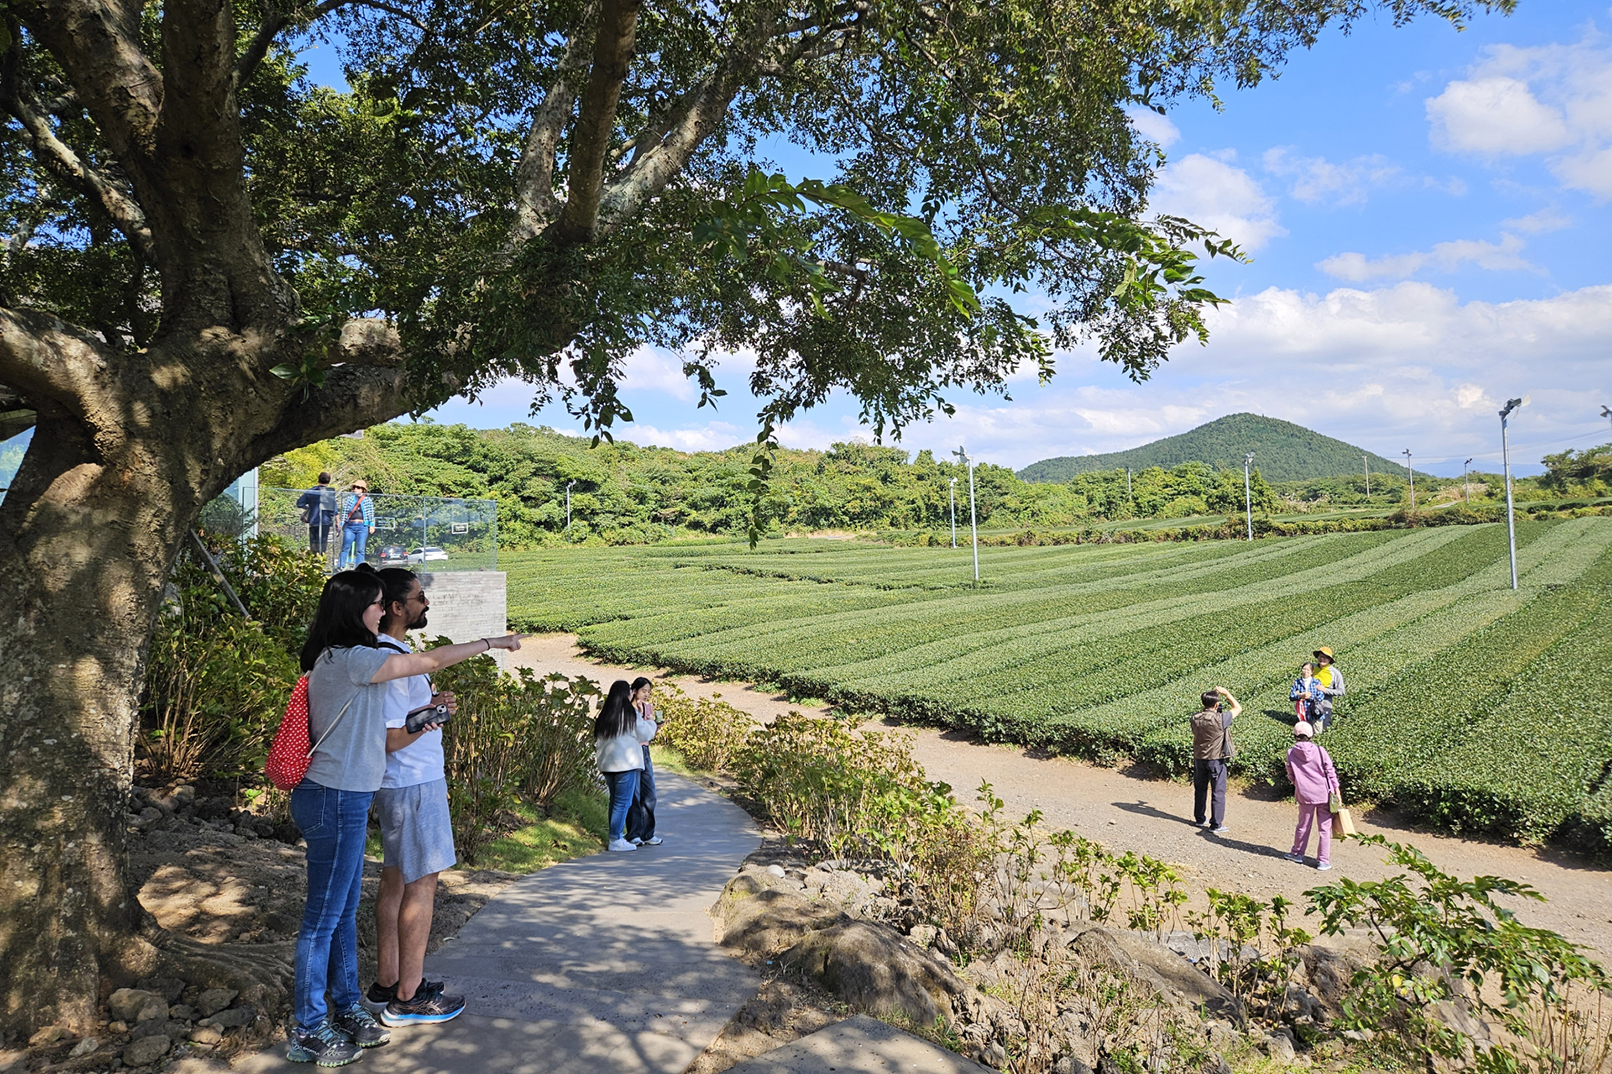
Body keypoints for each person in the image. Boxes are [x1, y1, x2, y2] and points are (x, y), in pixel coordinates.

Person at [286, 569, 524, 1066]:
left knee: (341, 913)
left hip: (349, 796)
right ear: (358, 610)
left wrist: (428, 711)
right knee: (322, 920)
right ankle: (308, 1028)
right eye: (376, 604)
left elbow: (390, 724)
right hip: (333, 796)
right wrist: (493, 642)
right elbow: (430, 663)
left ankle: (348, 1008)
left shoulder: (345, 657)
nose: (381, 613)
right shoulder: (354, 658)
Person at [363, 566, 469, 1028]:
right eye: (419, 597)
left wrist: (430, 709)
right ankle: (408, 997)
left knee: (396, 880)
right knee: (422, 884)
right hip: (413, 783)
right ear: (396, 607)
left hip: (402, 784)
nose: (426, 603)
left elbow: (400, 720)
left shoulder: (391, 655)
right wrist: (434, 715)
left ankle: (389, 982)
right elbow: (390, 737)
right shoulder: (388, 658)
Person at [596, 679, 657, 853]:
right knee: (623, 802)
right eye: (630, 691)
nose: (632, 693)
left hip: (607, 765)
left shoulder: (605, 714)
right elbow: (645, 733)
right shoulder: (629, 713)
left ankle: (615, 836)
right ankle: (615, 839)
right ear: (625, 694)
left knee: (615, 801)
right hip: (625, 764)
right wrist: (651, 721)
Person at [1284, 721, 1341, 871]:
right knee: (1324, 828)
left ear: (1295, 735)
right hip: (1324, 793)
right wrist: (1337, 790)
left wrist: (1299, 784)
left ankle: (1297, 853)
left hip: (1304, 795)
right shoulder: (1320, 751)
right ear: (1311, 735)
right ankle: (1323, 861)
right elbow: (1330, 772)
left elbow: (1290, 774)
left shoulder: (1291, 753)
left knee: (1303, 825)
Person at [1190, 686, 1240, 835]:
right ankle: (1216, 824)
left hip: (1199, 758)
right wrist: (1227, 693)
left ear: (1203, 703)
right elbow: (1238, 708)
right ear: (1216, 705)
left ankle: (1200, 818)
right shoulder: (1221, 719)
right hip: (1216, 759)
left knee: (1200, 789)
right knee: (1218, 791)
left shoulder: (1194, 718)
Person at [625, 677, 662, 847]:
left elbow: (647, 733)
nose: (646, 694)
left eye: (649, 691)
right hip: (632, 751)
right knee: (634, 794)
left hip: (644, 751)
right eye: (643, 691)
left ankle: (648, 833)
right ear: (634, 691)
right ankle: (633, 834)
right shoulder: (627, 708)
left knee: (649, 793)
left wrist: (656, 726)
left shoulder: (648, 707)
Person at [336, 480, 375, 570]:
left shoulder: (368, 500)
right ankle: (340, 566)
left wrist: (371, 525)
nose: (355, 489)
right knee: (345, 547)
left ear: (363, 489)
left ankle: (359, 568)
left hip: (362, 526)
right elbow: (344, 514)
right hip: (350, 526)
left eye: (358, 487)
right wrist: (340, 526)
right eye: (354, 487)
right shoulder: (349, 499)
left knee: (360, 549)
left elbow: (371, 514)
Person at [296, 472, 338, 555]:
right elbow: (334, 510)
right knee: (322, 546)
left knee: (313, 546)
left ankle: (314, 561)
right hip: (325, 522)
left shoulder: (311, 491)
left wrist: (309, 508)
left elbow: (299, 503)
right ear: (328, 481)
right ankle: (320, 561)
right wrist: (338, 523)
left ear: (318, 480)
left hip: (313, 521)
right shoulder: (328, 493)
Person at [1312, 647, 1346, 733]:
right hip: (1309, 704)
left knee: (1324, 730)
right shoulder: (1312, 668)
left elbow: (1341, 691)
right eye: (1320, 656)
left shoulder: (1335, 673)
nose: (1322, 659)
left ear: (1329, 659)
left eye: (1325, 657)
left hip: (1325, 705)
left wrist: (1324, 690)